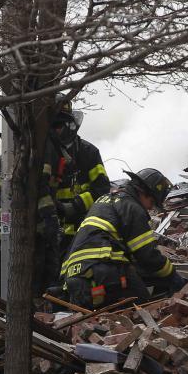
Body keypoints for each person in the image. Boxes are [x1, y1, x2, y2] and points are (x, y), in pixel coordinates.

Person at [61, 168, 185, 309]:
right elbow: (147, 256)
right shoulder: (132, 207)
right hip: (101, 272)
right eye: (152, 202)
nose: (150, 208)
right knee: (143, 308)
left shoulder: (103, 201)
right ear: (144, 192)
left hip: (74, 280)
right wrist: (172, 275)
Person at [0, 155, 60, 298]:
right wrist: (52, 227)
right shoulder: (39, 162)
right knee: (31, 292)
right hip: (27, 240)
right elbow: (45, 200)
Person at [48, 98, 111, 257]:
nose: (54, 131)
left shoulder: (88, 152)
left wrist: (72, 207)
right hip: (48, 231)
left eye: (58, 126)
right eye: (51, 126)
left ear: (70, 124)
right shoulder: (43, 151)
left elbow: (102, 190)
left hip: (80, 232)